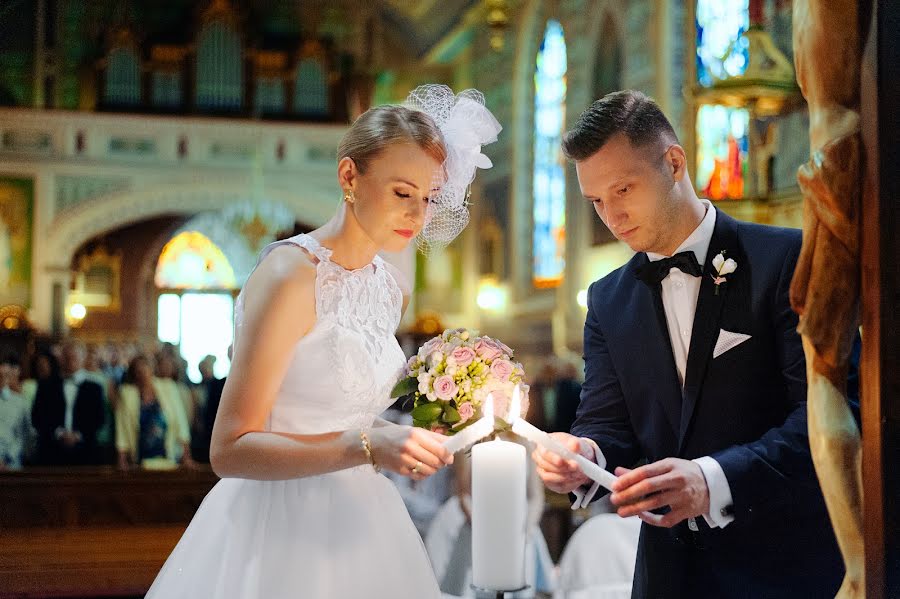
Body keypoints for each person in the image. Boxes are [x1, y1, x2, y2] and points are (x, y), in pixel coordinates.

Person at [145, 85, 501, 598]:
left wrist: (413, 434)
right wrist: (367, 444)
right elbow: (229, 450)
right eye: (403, 193)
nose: (417, 215)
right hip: (278, 523)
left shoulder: (388, 289)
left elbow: (342, 409)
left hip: (365, 518)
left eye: (427, 198)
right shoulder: (292, 275)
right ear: (349, 176)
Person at [533, 90, 854, 598]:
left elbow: (828, 415)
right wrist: (581, 455)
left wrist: (711, 480)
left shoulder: (784, 260)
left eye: (623, 189)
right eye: (596, 201)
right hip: (668, 575)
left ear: (674, 163)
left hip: (783, 565)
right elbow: (606, 426)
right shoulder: (609, 299)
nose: (611, 216)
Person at [31, 340, 106, 466]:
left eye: (74, 357)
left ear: (82, 359)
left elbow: (99, 418)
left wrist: (78, 435)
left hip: (85, 453)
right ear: (61, 359)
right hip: (51, 452)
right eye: (67, 357)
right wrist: (59, 434)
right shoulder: (46, 386)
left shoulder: (94, 388)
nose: (70, 361)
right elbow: (37, 417)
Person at [116, 355, 195, 470]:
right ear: (134, 374)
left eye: (145, 369)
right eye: (138, 371)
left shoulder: (168, 387)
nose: (143, 374)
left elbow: (181, 423)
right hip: (140, 457)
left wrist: (187, 456)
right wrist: (122, 460)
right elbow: (122, 429)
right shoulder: (127, 394)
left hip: (168, 453)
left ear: (152, 369)